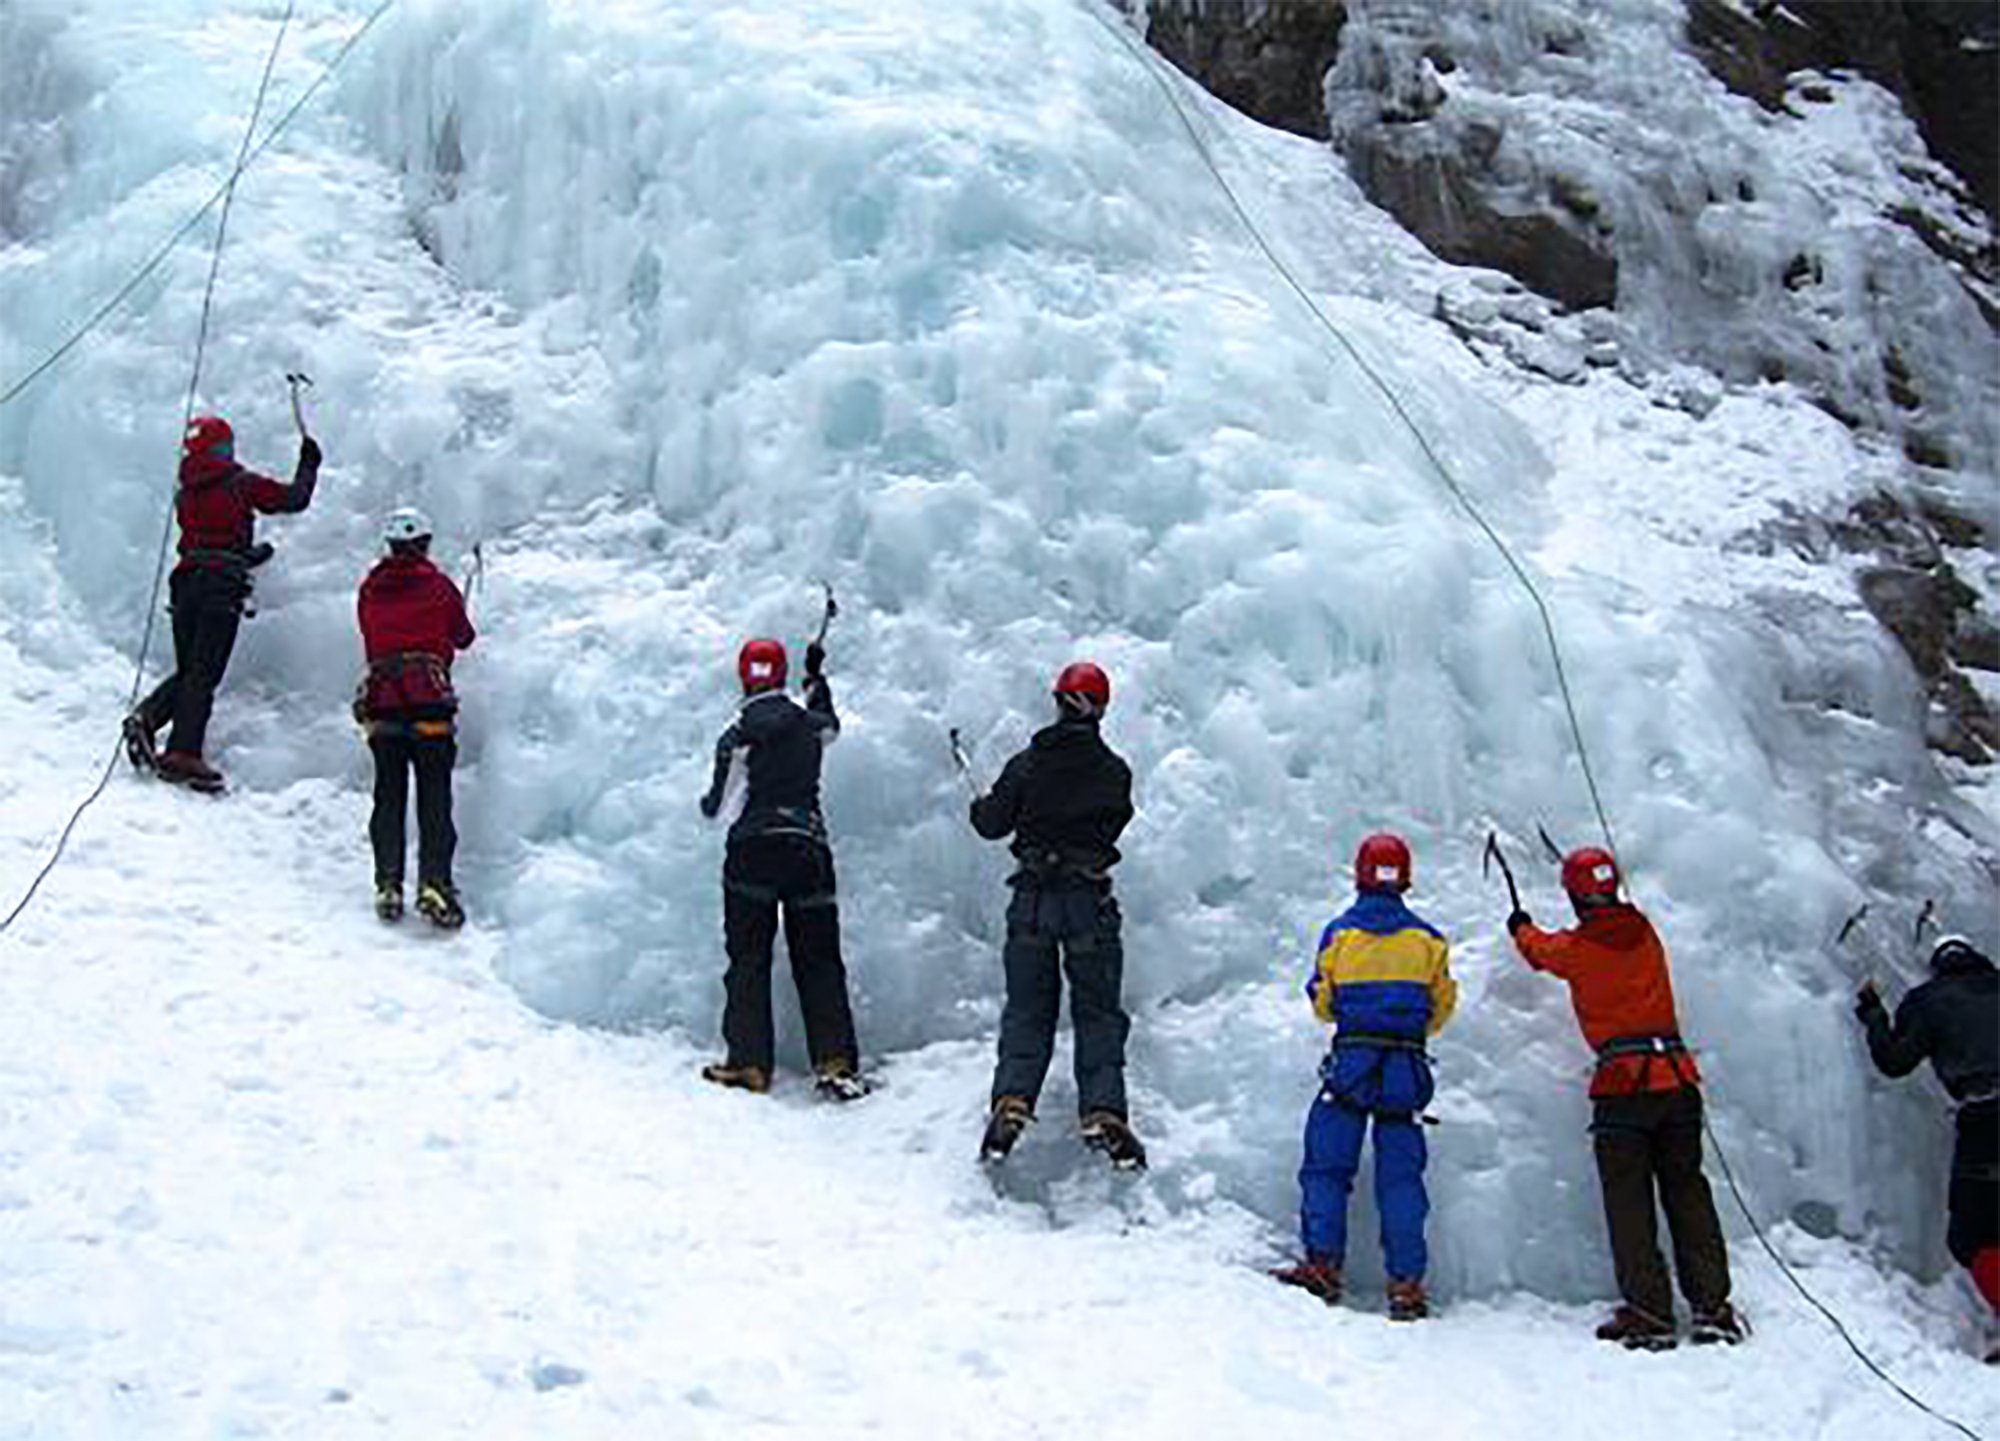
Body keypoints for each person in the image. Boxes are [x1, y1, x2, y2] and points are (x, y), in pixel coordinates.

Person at [1508, 847, 1742, 1349]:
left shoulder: (1578, 947)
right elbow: (1605, 931)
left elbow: (1541, 952)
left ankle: (1650, 1311)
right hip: (1677, 1080)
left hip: (1623, 1088)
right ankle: (1712, 1307)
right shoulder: (1645, 932)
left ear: (1574, 896)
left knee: (1629, 1201)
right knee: (1688, 1192)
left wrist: (1520, 927)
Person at [1273, 833, 1456, 1321]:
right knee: (1400, 1177)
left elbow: (1321, 1002)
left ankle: (1323, 1265)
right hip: (1405, 1068)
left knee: (1327, 1166)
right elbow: (1441, 1008)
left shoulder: (1341, 934)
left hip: (1352, 1063)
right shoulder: (1428, 941)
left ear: (1360, 875)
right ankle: (1406, 1284)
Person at [968, 661, 1142, 1170]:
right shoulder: (1114, 772)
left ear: (1059, 700)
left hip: (1033, 900)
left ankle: (1013, 1101)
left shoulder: (1027, 764)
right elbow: (1114, 820)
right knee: (1097, 1012)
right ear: (1101, 708)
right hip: (1087, 901)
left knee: (1027, 1009)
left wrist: (984, 806)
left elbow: (991, 825)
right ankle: (1104, 1110)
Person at [697, 637, 865, 1101]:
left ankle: (750, 1062)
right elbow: (831, 725)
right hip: (808, 849)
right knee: (819, 960)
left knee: (749, 958)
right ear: (783, 674)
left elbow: (719, 806)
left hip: (753, 852)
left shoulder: (737, 736)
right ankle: (835, 1062)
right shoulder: (810, 725)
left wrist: (705, 802)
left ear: (742, 677)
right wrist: (817, 683)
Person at [124, 413, 321, 791]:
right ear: (220, 449)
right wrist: (309, 463)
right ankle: (183, 751)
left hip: (187, 583)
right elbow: (293, 499)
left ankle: (147, 719)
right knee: (204, 672)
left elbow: (210, 539)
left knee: (190, 668)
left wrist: (250, 554)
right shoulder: (240, 483)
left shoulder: (187, 492)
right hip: (221, 586)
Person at [1855, 935, 1999, 1360]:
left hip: (1986, 1121)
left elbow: (1894, 1061)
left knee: (1972, 1233)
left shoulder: (1930, 999)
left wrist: (1873, 1013)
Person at [354, 507, 475, 928]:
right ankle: (435, 884)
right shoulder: (439, 586)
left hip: (383, 700)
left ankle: (388, 882)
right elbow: (463, 636)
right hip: (428, 700)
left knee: (388, 793)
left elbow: (371, 634)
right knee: (434, 795)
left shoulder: (370, 588)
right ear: (424, 544)